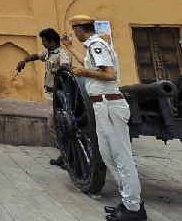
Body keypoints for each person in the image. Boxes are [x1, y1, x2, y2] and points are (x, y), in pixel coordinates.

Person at [62, 15, 145, 221]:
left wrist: (84, 73)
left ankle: (134, 208)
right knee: (108, 155)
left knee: (122, 157)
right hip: (101, 105)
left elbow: (110, 75)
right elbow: (88, 65)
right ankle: (128, 202)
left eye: (75, 31)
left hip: (110, 104)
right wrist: (69, 48)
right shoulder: (92, 46)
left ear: (80, 30)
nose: (74, 34)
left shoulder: (97, 44)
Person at [16, 28, 72, 168]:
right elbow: (36, 56)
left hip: (59, 95)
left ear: (52, 42)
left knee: (55, 124)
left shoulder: (62, 55)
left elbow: (66, 69)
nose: (43, 44)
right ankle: (64, 154)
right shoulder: (48, 54)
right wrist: (24, 60)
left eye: (45, 42)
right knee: (54, 125)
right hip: (49, 94)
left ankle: (68, 155)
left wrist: (57, 70)